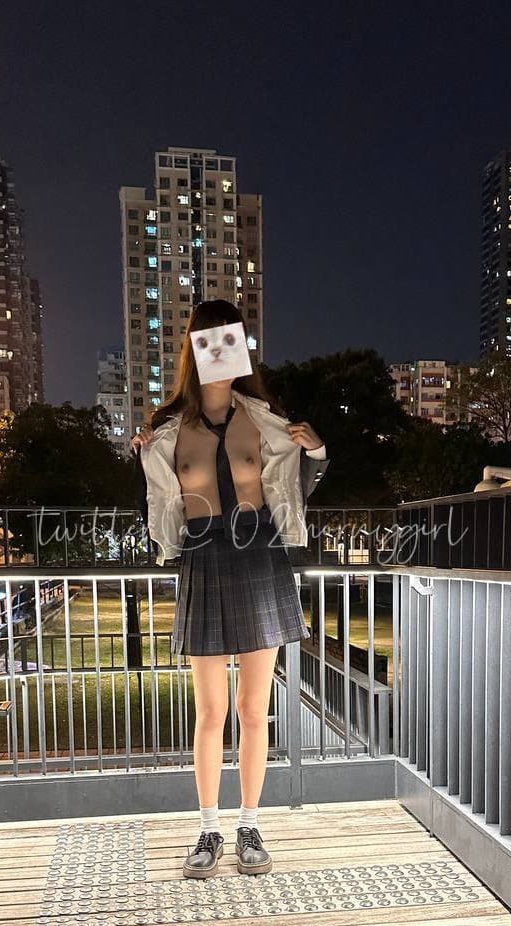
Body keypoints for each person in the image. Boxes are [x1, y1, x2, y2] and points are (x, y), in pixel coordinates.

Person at [132, 299, 329, 879]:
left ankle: (249, 825)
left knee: (253, 707)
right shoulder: (169, 429)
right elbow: (157, 502)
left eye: (230, 337)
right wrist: (140, 458)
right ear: (193, 348)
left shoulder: (264, 418)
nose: (219, 347)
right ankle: (208, 830)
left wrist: (315, 449)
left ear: (242, 345)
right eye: (208, 337)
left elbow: (299, 483)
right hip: (202, 558)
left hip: (261, 556)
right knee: (211, 709)